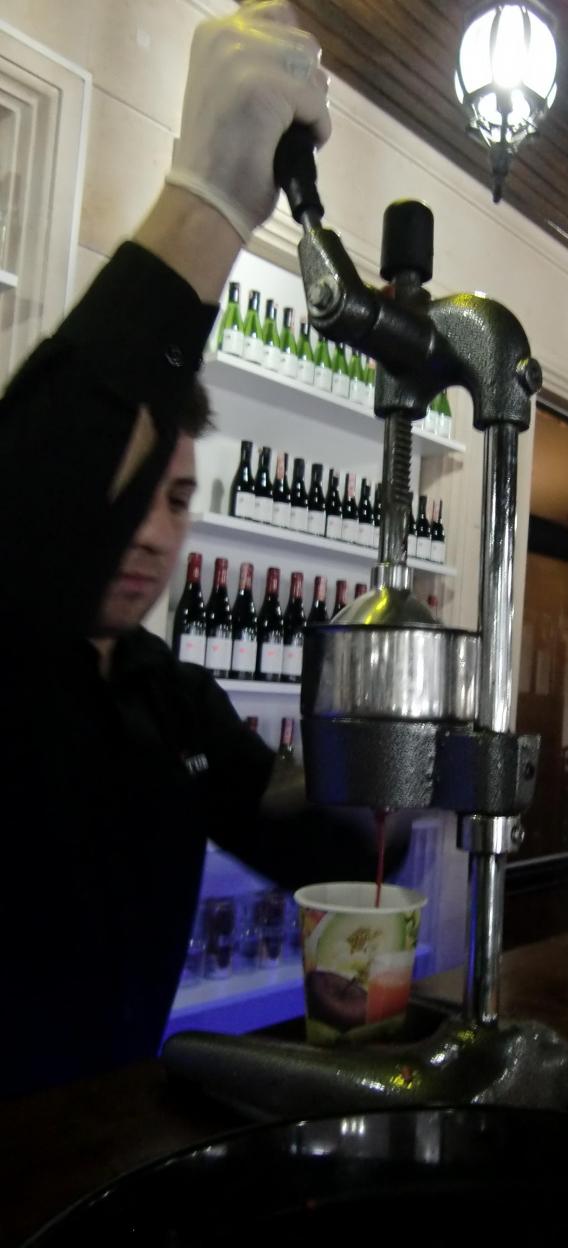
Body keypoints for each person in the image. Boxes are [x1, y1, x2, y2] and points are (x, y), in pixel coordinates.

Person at [0, 1, 406, 1098]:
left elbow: (305, 837)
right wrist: (207, 205)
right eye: (138, 490)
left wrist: (392, 765)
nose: (151, 528)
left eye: (178, 498)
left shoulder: (172, 700)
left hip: (109, 1132)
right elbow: (32, 514)